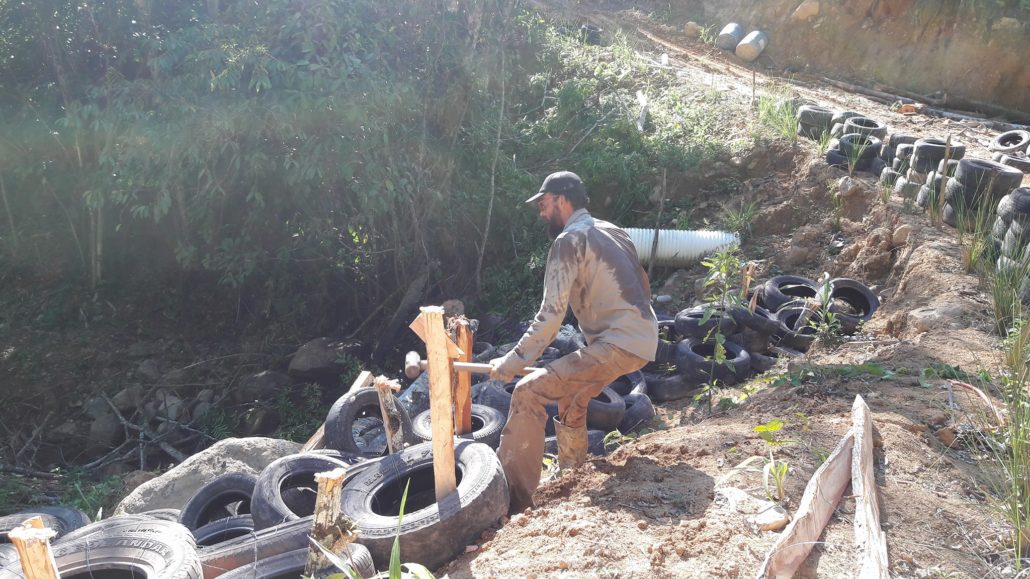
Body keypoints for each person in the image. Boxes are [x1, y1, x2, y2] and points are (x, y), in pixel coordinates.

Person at [490, 170, 659, 513]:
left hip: (617, 343)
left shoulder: (568, 241)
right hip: (643, 336)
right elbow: (644, 285)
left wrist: (513, 362)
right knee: (572, 397)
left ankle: (513, 502)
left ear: (562, 201)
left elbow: (550, 317)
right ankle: (573, 474)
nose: (541, 213)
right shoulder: (614, 230)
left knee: (527, 392)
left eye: (543, 204)